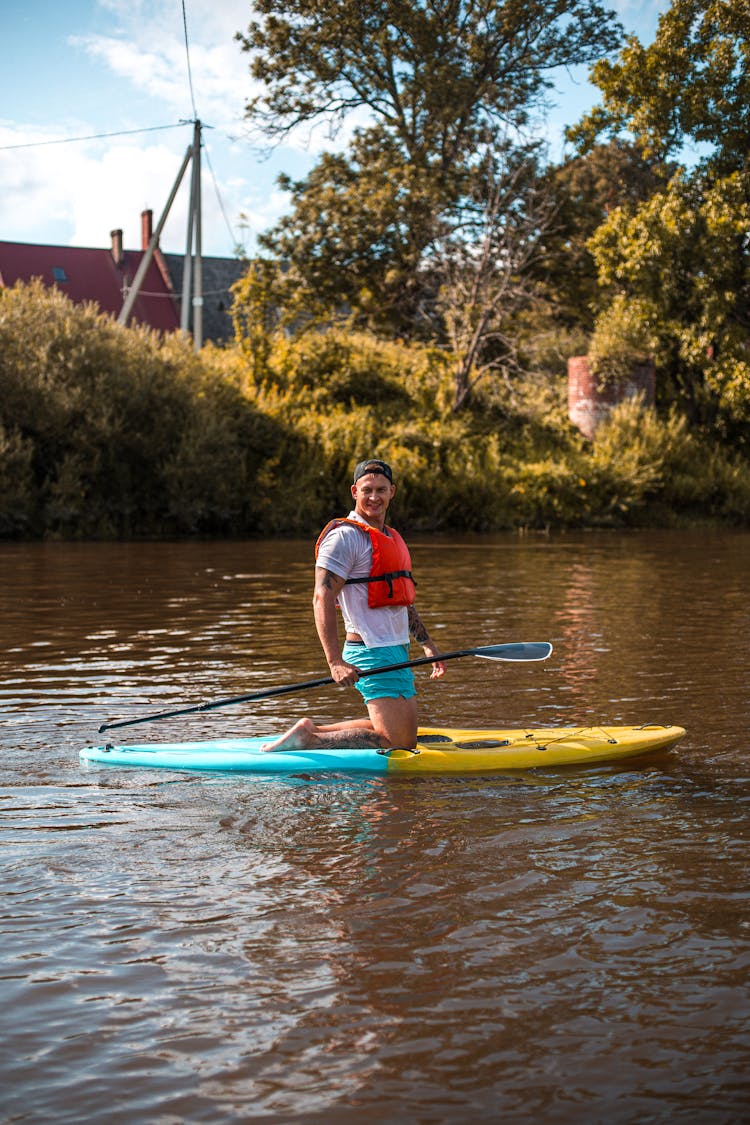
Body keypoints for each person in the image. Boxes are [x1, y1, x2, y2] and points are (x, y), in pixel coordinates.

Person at [262, 458, 445, 752]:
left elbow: (400, 599)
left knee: (403, 735)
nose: (374, 497)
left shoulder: (390, 537)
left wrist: (427, 643)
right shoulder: (345, 537)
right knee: (398, 745)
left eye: (381, 490)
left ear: (392, 492)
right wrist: (334, 662)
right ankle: (311, 741)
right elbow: (321, 597)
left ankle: (311, 730)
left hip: (396, 649)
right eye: (367, 490)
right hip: (372, 651)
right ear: (354, 491)